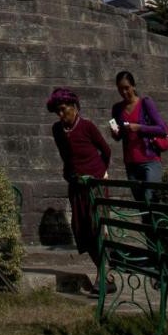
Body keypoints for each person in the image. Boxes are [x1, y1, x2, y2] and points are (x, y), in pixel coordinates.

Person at [46, 87, 113, 255]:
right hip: (76, 184)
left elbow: (106, 151)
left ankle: (106, 272)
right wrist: (70, 174)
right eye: (57, 111)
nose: (60, 115)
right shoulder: (57, 130)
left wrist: (101, 172)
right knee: (81, 228)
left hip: (94, 184)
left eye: (63, 110)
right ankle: (100, 267)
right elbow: (65, 155)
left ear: (74, 107)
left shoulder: (87, 126)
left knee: (97, 226)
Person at [110, 70, 168, 202]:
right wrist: (115, 133)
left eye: (127, 88)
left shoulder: (145, 103)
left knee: (151, 200)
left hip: (150, 160)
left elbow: (162, 129)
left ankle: (159, 222)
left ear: (133, 86)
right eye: (120, 89)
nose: (124, 92)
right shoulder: (117, 109)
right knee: (141, 203)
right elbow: (118, 136)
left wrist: (139, 127)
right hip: (131, 163)